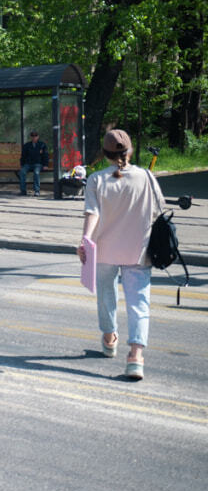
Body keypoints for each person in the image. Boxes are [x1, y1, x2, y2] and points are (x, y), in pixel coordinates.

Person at [77, 129, 164, 380]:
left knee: (106, 295)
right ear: (130, 151)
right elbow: (159, 210)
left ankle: (109, 337)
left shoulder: (96, 179)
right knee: (139, 302)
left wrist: (85, 240)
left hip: (104, 249)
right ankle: (136, 356)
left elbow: (92, 213)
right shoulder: (146, 176)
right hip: (138, 251)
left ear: (104, 154)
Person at [19, 130, 50, 196]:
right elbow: (23, 156)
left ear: (38, 137)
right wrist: (22, 165)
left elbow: (46, 155)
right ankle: (23, 191)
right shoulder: (27, 145)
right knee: (22, 172)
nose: (34, 137)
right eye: (32, 136)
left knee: (36, 173)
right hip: (28, 164)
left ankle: (37, 191)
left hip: (38, 164)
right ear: (31, 137)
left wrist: (46, 165)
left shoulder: (42, 145)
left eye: (35, 136)